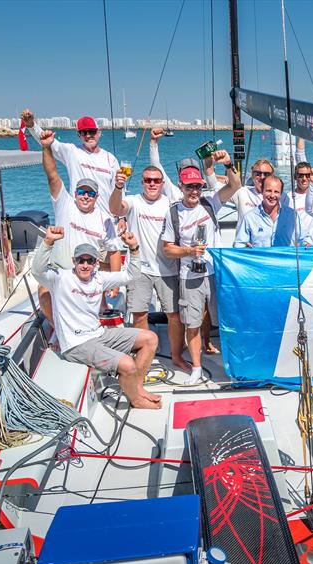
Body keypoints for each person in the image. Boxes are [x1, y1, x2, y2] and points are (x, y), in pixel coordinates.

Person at [34, 226, 161, 409]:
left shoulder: (99, 278)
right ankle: (136, 400)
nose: (85, 265)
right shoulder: (60, 279)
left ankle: (137, 388)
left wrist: (134, 249)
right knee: (127, 364)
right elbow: (38, 271)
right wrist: (48, 242)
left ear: (96, 263)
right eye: (81, 260)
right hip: (76, 344)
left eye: (90, 261)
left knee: (150, 339)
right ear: (73, 261)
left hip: (98, 335)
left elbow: (131, 275)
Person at [109, 166, 190, 372]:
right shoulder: (135, 201)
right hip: (140, 268)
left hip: (168, 269)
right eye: (147, 180)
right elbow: (116, 209)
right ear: (142, 182)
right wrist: (119, 187)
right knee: (139, 314)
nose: (152, 183)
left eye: (156, 180)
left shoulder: (171, 204)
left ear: (163, 184)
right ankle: (145, 358)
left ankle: (176, 355)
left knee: (174, 315)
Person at [37, 130, 120, 323]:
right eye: (81, 192)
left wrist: (114, 282)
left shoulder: (103, 219)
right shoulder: (64, 204)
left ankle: (95, 316)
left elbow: (114, 251)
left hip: (87, 271)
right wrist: (46, 147)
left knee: (95, 293)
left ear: (96, 197)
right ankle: (58, 329)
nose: (85, 196)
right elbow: (52, 175)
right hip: (62, 269)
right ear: (74, 193)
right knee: (43, 295)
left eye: (90, 194)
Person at [161, 165, 223, 385]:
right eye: (189, 186)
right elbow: (167, 249)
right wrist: (189, 251)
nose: (194, 191)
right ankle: (197, 368)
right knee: (192, 324)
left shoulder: (210, 203)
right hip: (190, 276)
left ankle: (232, 363)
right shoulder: (173, 213)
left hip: (216, 273)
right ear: (181, 187)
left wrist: (221, 164)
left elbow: (235, 185)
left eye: (197, 186)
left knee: (224, 321)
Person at [21, 109, 119, 217]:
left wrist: (122, 217)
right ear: (79, 135)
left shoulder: (111, 159)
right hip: (79, 218)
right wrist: (31, 125)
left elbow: (119, 188)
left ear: (99, 133)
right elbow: (47, 141)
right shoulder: (72, 152)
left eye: (92, 131)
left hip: (106, 219)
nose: (88, 135)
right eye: (83, 132)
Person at [234, 175, 312, 248]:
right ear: (262, 191)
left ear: (281, 194)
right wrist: (245, 247)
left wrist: (307, 244)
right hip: (261, 262)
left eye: (276, 192)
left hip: (286, 261)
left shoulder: (292, 215)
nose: (272, 195)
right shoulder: (249, 217)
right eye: (268, 191)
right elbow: (238, 244)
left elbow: (306, 238)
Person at [148, 128, 222, 203]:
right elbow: (214, 187)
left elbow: (156, 167)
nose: (193, 191)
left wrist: (153, 142)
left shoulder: (173, 193)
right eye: (189, 186)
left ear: (179, 172)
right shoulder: (206, 196)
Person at [290, 161, 313, 243]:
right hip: (298, 248)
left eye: (308, 175)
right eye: (300, 175)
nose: (304, 179)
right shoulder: (288, 198)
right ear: (295, 177)